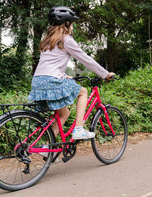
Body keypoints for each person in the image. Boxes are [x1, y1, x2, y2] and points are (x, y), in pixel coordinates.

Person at [28, 6, 115, 140]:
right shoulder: (66, 40)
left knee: (64, 114)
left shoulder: (46, 40)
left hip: (38, 81)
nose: (73, 26)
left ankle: (47, 149)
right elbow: (86, 60)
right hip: (52, 81)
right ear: (66, 23)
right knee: (83, 92)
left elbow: (49, 64)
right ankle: (79, 130)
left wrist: (63, 75)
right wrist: (105, 74)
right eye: (72, 23)